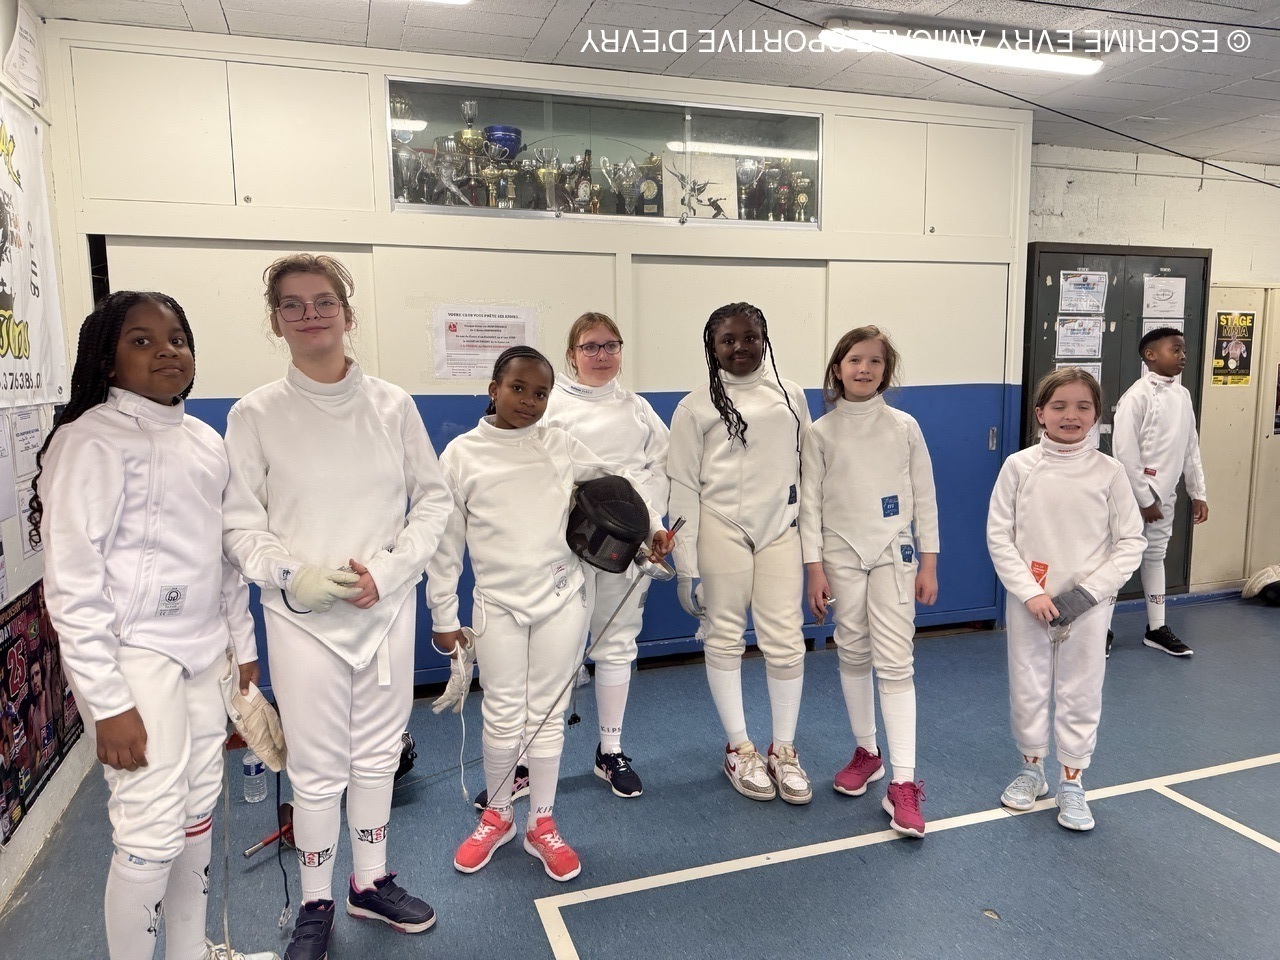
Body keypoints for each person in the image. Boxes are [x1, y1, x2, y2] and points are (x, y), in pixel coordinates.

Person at [222, 255, 453, 960]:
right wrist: (292, 576)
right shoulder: (254, 414)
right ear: (275, 321)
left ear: (347, 315)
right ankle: (316, 901)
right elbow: (240, 525)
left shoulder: (393, 405)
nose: (310, 315)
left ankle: (370, 882)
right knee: (318, 768)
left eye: (324, 301)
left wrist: (390, 570)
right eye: (292, 305)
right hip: (304, 622)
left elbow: (433, 502)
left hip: (385, 611)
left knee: (378, 756)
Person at [32, 291, 273, 960]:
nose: (166, 350)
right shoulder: (88, 442)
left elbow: (222, 558)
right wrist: (108, 703)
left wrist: (242, 647)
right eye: (142, 340)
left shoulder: (204, 440)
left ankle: (190, 952)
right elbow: (72, 586)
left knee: (197, 808)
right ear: (107, 361)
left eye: (177, 339)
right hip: (134, 658)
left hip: (204, 653)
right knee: (149, 827)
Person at [430, 346, 672, 882]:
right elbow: (445, 545)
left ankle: (541, 823)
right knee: (501, 712)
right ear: (494, 389)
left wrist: (652, 527)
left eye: (540, 393)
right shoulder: (461, 456)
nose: (529, 401)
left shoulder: (560, 444)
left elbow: (620, 483)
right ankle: (498, 816)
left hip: (562, 598)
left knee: (547, 714)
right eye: (517, 388)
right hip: (498, 604)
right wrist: (443, 613)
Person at [666, 302, 813, 804]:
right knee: (725, 636)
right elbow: (682, 486)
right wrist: (686, 567)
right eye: (727, 340)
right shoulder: (694, 407)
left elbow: (806, 468)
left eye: (749, 337)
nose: (740, 347)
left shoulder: (791, 396)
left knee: (786, 640)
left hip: (780, 530)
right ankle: (740, 748)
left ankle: (784, 750)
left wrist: (809, 538)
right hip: (720, 528)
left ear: (764, 339)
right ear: (713, 347)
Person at [987, 368, 1145, 832]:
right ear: (1040, 413)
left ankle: (1072, 781)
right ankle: (1031, 769)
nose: (1070, 415)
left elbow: (1131, 541)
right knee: (1029, 682)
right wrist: (1030, 593)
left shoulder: (1109, 472)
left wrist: (1088, 594)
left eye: (1082, 407)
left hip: (1089, 606)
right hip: (1030, 602)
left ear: (1096, 415)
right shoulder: (1019, 466)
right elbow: (999, 536)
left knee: (1081, 688)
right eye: (1059, 406)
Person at [799, 326, 938, 836]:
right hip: (839, 551)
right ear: (838, 368)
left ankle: (903, 782)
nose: (864, 369)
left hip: (893, 551)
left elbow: (925, 495)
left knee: (896, 660)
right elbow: (809, 507)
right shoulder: (819, 432)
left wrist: (929, 562)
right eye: (855, 360)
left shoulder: (904, 426)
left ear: (886, 371)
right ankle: (867, 752)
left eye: (875, 361)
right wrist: (813, 569)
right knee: (853, 651)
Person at [541, 311, 670, 798]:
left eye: (610, 345)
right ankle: (532, 760)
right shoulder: (549, 404)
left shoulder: (637, 409)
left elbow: (658, 471)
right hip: (566, 546)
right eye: (590, 346)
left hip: (625, 546)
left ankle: (610, 751)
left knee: (617, 643)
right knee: (556, 650)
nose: (601, 355)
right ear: (572, 354)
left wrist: (651, 527)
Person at [1112, 327, 1208, 657]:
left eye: (1183, 350)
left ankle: (1156, 628)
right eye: (1175, 350)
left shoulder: (1182, 396)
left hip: (1165, 497)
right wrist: (1144, 499)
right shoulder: (1136, 396)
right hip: (1131, 497)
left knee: (1155, 557)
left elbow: (1190, 448)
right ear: (1150, 355)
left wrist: (1198, 492)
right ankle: (1103, 631)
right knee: (1117, 560)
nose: (1183, 356)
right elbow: (1124, 453)